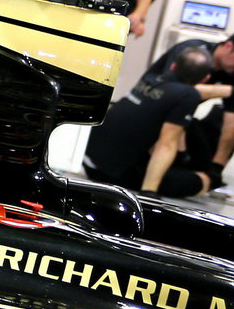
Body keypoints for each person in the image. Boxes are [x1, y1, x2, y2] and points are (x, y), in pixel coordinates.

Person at [83, 46, 217, 197]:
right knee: (203, 181)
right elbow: (166, 145)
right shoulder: (188, 95)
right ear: (205, 79)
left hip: (88, 162)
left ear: (174, 66)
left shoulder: (151, 79)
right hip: (110, 175)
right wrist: (149, 192)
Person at [144, 29, 234, 189]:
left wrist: (217, 167)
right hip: (152, 114)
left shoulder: (233, 73)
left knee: (201, 165)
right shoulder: (191, 52)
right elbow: (174, 91)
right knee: (183, 181)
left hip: (178, 118)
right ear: (228, 46)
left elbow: (232, 123)